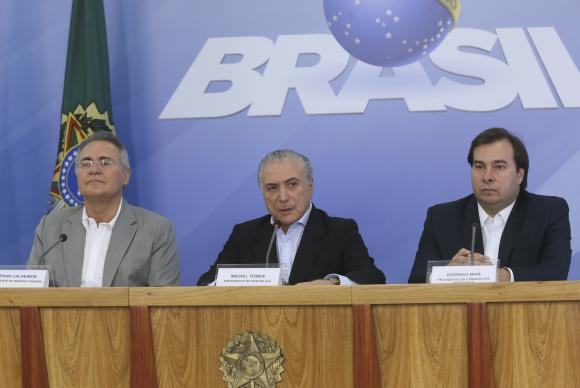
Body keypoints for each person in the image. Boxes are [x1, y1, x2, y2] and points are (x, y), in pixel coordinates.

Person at [197, 149, 386, 286]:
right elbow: (206, 283)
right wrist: (239, 285)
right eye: (272, 188)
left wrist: (332, 283)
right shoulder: (244, 234)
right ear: (262, 193)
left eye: (292, 185)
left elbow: (372, 277)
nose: (283, 197)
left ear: (310, 187)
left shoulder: (339, 231)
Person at [409, 127, 571, 283]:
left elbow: (555, 272)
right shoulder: (442, 217)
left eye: (498, 167)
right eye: (479, 167)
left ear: (519, 175)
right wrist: (448, 273)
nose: (487, 176)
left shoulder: (549, 212)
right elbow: (416, 279)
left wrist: (503, 276)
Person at [28, 131, 180, 287]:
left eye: (105, 162)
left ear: (125, 176)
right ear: (77, 175)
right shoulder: (50, 228)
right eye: (86, 163)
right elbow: (30, 295)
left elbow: (163, 305)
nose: (94, 169)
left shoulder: (155, 230)